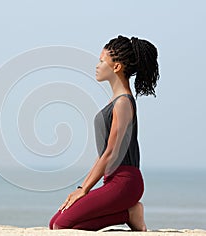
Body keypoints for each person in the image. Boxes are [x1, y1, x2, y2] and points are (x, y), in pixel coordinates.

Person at [49, 35, 160, 231]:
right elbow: (103, 155)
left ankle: (130, 213)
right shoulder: (114, 101)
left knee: (61, 225)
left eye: (102, 61)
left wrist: (84, 190)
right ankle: (129, 213)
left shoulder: (123, 103)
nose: (97, 65)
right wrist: (81, 187)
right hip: (112, 180)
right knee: (54, 224)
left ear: (116, 67)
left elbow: (111, 153)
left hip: (126, 182)